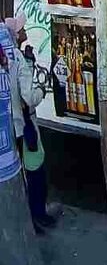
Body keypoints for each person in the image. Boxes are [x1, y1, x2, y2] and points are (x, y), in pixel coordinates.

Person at [5, 15, 54, 232]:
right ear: (15, 35)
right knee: (36, 173)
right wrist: (43, 88)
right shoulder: (16, 58)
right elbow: (29, 97)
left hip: (10, 127)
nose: (24, 30)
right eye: (21, 29)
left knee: (22, 175)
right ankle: (38, 216)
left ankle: (27, 217)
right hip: (25, 126)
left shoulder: (7, 58)